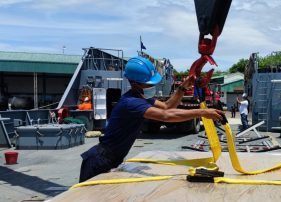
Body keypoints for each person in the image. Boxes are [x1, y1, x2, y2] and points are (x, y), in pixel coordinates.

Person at [79, 56, 223, 182]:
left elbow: (167, 107)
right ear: (135, 84)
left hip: (111, 158)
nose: (153, 86)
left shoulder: (142, 98)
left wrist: (182, 88)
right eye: (149, 83)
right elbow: (166, 116)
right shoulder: (132, 103)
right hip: (99, 160)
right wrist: (202, 112)